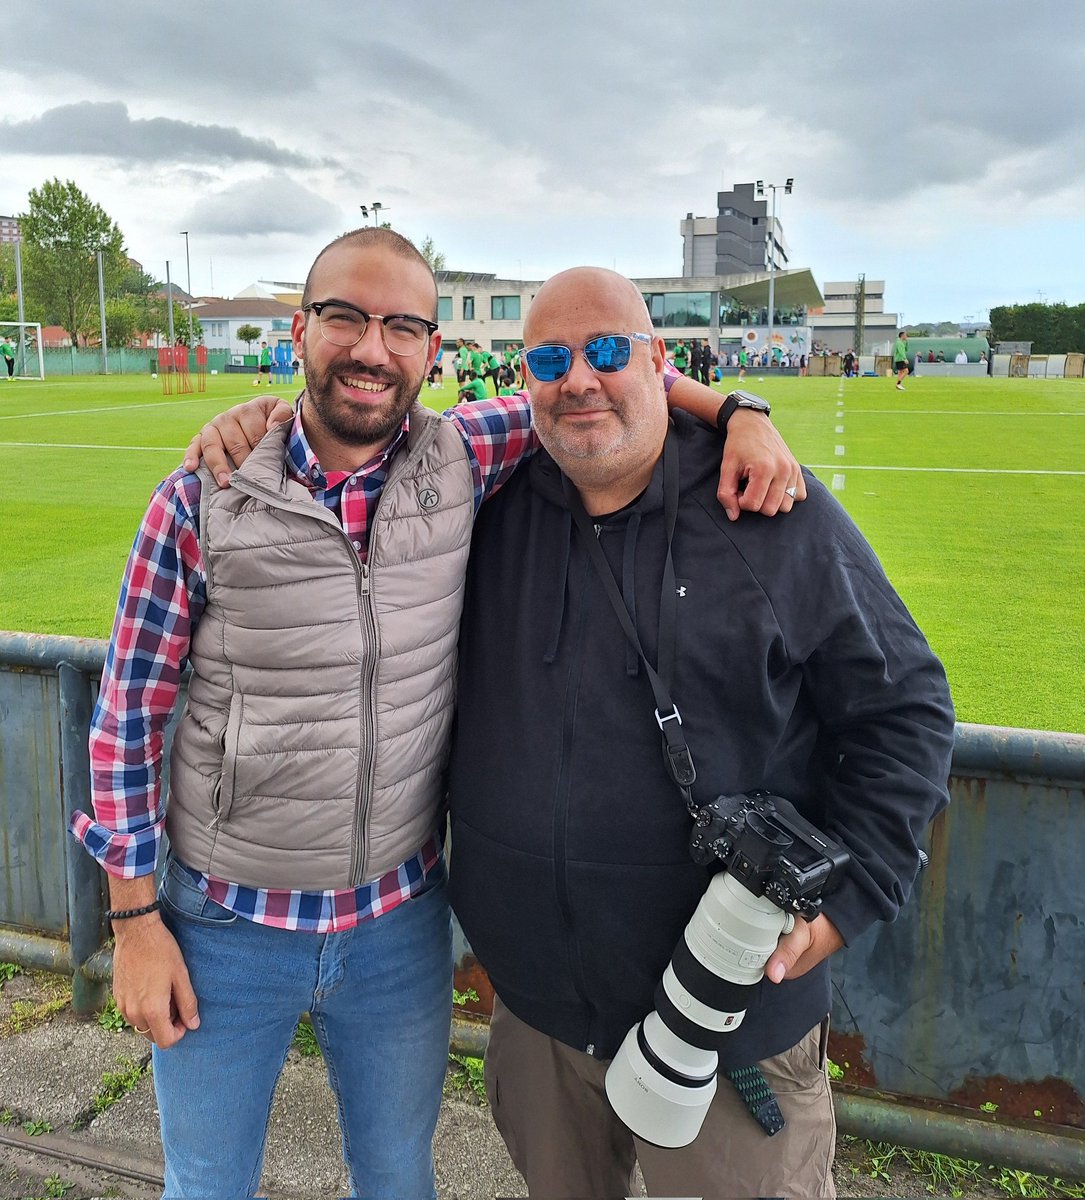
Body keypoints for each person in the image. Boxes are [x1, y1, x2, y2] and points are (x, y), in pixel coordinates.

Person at [77, 229, 806, 1199]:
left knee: (396, 1179)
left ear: (432, 349)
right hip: (223, 925)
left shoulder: (463, 453)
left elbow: (596, 379)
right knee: (205, 1185)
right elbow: (127, 712)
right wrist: (133, 922)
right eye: (345, 316)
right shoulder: (201, 498)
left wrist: (740, 410)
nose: (371, 348)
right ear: (299, 331)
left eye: (402, 326)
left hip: (395, 924)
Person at [444, 267, 955, 1199]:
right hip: (541, 1022)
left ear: (657, 361)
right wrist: (258, 425)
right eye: (550, 358)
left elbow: (904, 708)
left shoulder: (764, 510)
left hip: (728, 1025)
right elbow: (355, 441)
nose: (578, 380)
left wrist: (849, 900)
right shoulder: (485, 507)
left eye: (605, 352)